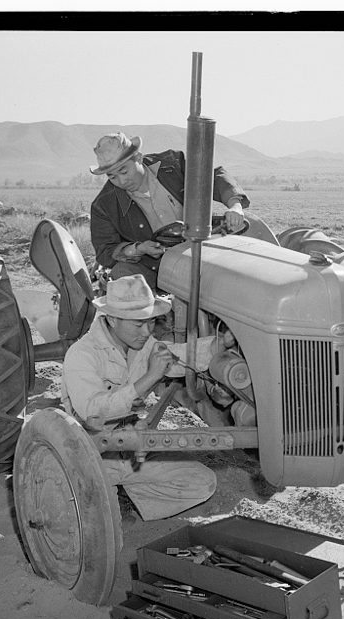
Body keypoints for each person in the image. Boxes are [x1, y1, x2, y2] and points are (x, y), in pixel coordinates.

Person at [61, 275, 217, 521]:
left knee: (203, 482)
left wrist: (219, 348)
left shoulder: (141, 342)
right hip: (91, 453)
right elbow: (93, 411)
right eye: (138, 324)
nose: (147, 332)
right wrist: (151, 376)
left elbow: (176, 358)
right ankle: (109, 492)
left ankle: (126, 493)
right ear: (112, 318)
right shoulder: (81, 354)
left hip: (130, 448)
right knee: (81, 515)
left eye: (151, 322)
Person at [89, 132, 250, 290]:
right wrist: (138, 249)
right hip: (155, 269)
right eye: (112, 177)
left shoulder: (173, 165)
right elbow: (105, 250)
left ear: (138, 157)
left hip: (201, 253)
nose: (122, 181)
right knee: (122, 273)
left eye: (124, 171)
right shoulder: (103, 206)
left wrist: (235, 205)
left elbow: (211, 176)